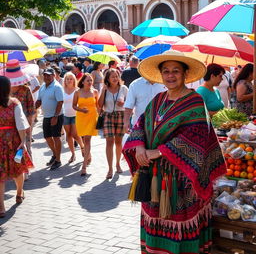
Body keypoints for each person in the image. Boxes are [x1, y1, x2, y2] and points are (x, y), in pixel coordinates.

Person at [123, 50, 226, 254]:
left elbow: (196, 136)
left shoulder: (195, 101)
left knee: (180, 222)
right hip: (154, 178)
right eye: (166, 71)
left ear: (185, 74)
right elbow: (140, 124)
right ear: (161, 75)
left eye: (176, 71)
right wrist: (140, 147)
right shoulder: (158, 99)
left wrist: (159, 152)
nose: (170, 75)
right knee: (155, 218)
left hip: (182, 179)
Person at [0, 76, 33, 217]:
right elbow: (20, 123)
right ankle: (18, 193)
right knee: (17, 169)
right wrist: (23, 140)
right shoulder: (14, 103)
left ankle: (2, 206)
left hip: (3, 140)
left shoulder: (14, 103)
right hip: (13, 139)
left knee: (3, 174)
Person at [98, 68, 128, 179]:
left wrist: (123, 103)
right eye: (113, 77)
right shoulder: (104, 89)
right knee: (109, 142)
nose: (115, 78)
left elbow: (130, 104)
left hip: (121, 115)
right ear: (108, 79)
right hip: (108, 115)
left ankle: (118, 164)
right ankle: (110, 168)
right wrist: (104, 91)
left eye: (117, 76)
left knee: (119, 142)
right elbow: (99, 104)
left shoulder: (124, 88)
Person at [36, 67, 64, 170]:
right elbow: (39, 100)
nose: (46, 77)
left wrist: (55, 116)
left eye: (49, 75)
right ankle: (55, 154)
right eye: (45, 75)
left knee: (56, 137)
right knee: (47, 137)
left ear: (53, 75)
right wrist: (32, 108)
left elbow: (60, 102)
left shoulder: (57, 87)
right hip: (46, 116)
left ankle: (58, 160)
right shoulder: (43, 86)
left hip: (56, 116)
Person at [73, 73, 99, 176]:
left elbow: (98, 106)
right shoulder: (77, 92)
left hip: (92, 117)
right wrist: (81, 109)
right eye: (88, 80)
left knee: (87, 139)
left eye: (91, 80)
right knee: (84, 139)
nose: (90, 82)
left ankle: (84, 166)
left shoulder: (95, 92)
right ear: (82, 81)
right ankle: (88, 154)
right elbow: (74, 106)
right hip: (81, 117)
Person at [63, 72, 84, 163]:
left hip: (76, 115)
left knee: (75, 134)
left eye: (71, 78)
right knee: (68, 135)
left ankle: (82, 147)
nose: (69, 80)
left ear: (74, 80)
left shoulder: (77, 90)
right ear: (65, 80)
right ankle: (73, 154)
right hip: (65, 115)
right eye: (67, 79)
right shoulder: (62, 89)